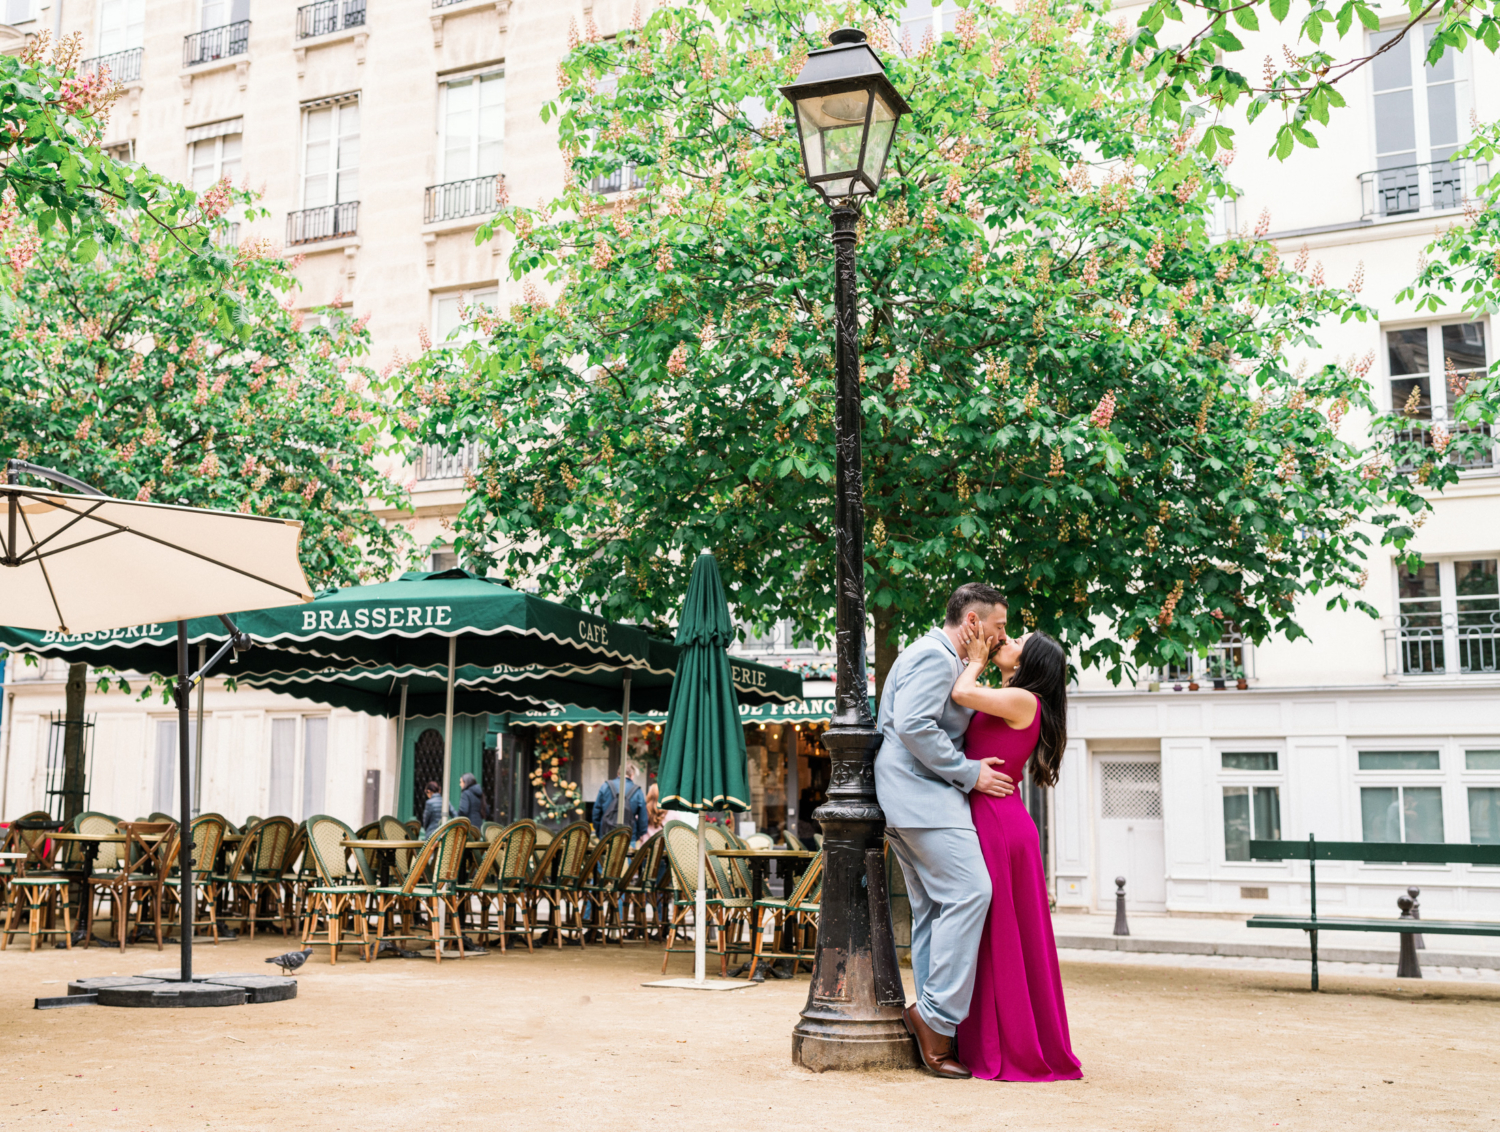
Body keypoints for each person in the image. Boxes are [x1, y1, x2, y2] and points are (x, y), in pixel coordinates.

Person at [874, 582, 1016, 1080]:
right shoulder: (936, 657)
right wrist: (969, 771)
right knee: (972, 892)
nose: (1004, 635)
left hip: (912, 800)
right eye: (1000, 626)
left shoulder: (944, 659)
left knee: (935, 909)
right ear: (974, 623)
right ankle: (933, 1018)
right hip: (921, 799)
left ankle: (934, 1021)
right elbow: (914, 725)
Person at [950, 625, 1082, 1082]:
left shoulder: (1024, 700)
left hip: (998, 821)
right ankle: (988, 1037)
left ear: (1029, 664)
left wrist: (975, 659)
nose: (1005, 641)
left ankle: (1006, 1044)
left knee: (1000, 931)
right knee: (994, 930)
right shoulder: (1014, 696)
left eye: (1016, 643)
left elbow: (962, 692)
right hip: (995, 815)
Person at [593, 762, 647, 842]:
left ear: (618, 773)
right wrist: (636, 836)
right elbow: (643, 819)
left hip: (606, 834)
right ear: (632, 775)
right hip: (628, 836)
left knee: (606, 855)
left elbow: (596, 813)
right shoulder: (637, 791)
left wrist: (599, 831)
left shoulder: (605, 786)